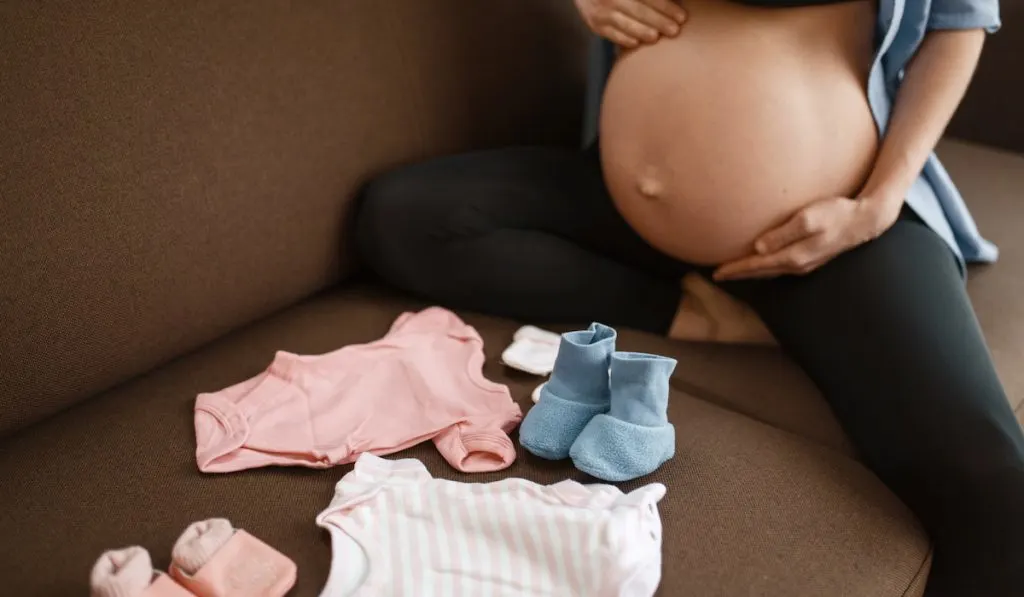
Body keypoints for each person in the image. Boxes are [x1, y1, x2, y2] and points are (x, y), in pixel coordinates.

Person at [353, 0, 1023, 594]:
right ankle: (697, 316)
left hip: (828, 236)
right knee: (404, 216)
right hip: (621, 205)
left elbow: (958, 21)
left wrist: (878, 204)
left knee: (991, 479)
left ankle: (762, 299)